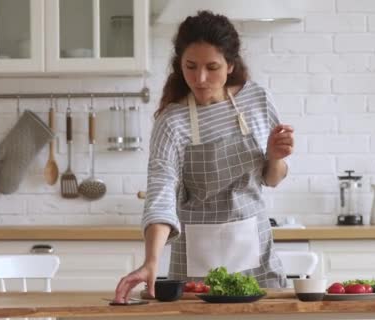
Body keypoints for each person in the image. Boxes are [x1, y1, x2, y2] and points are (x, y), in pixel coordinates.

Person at [114, 10, 294, 303]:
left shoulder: (256, 99)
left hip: (256, 255)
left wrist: (274, 156)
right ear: (179, 65)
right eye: (190, 66)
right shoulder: (172, 122)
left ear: (230, 65)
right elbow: (161, 191)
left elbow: (272, 179)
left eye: (212, 67)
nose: (199, 78)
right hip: (196, 265)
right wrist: (151, 261)